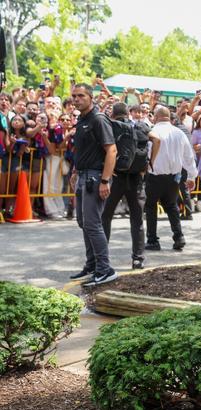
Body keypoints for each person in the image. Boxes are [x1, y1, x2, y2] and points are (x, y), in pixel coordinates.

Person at [68, 83, 118, 286]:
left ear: (91, 97)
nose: (76, 99)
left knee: (92, 224)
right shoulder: (82, 119)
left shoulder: (98, 119)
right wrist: (74, 171)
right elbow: (82, 149)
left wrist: (105, 180)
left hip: (96, 177)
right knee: (83, 222)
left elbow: (112, 151)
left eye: (81, 95)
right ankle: (92, 266)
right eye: (74, 96)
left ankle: (105, 270)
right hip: (83, 176)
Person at [144, 106, 197, 251]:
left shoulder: (153, 132)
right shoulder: (179, 133)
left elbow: (147, 153)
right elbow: (188, 156)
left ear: (155, 117)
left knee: (151, 207)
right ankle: (179, 236)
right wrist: (192, 175)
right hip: (174, 177)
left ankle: (152, 240)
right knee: (172, 206)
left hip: (155, 175)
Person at [101, 102, 146, 270]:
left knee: (105, 216)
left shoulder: (110, 127)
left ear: (112, 114)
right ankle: (138, 258)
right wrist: (149, 165)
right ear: (128, 113)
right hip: (135, 178)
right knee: (137, 219)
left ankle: (102, 256)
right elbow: (156, 139)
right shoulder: (139, 127)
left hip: (115, 177)